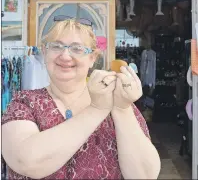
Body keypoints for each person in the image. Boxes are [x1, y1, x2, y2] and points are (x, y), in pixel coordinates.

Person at [2, 17, 161, 179]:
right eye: (56, 46)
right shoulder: (23, 103)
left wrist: (122, 109)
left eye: (77, 49)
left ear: (92, 58)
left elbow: (145, 175)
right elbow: (26, 162)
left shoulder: (119, 103)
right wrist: (97, 110)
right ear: (44, 52)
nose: (65, 55)